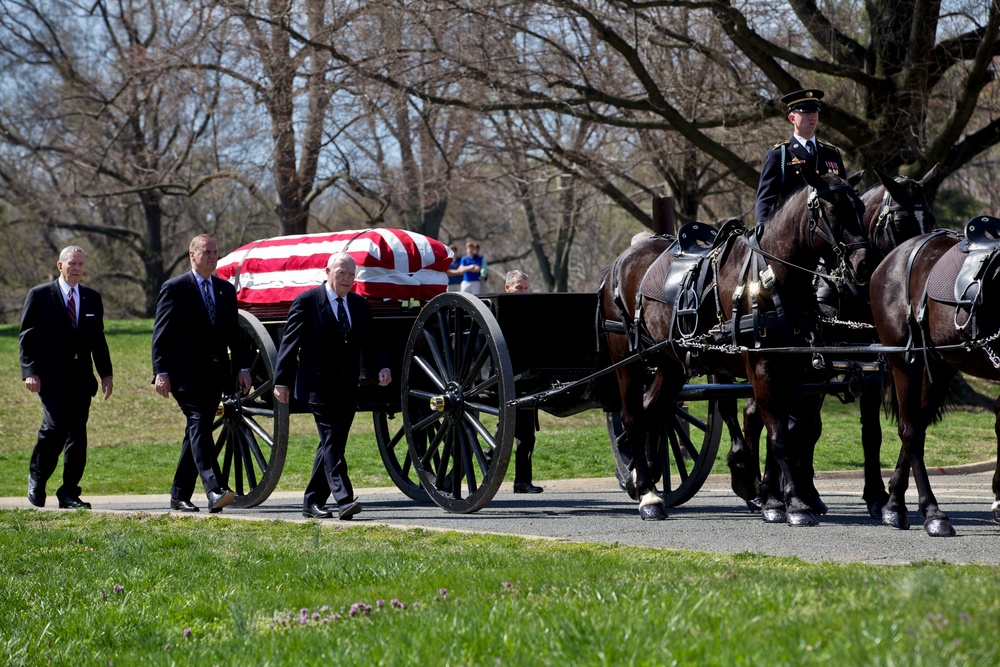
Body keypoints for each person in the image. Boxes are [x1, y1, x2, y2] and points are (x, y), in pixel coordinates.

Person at [273, 252, 392, 520]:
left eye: (351, 274)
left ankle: (312, 501)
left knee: (333, 443)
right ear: (327, 272)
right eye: (341, 273)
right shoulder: (307, 301)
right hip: (316, 384)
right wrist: (281, 381)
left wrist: (383, 366)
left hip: (347, 386)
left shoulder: (359, 305)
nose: (347, 279)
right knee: (331, 440)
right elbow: (289, 345)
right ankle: (344, 498)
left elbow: (372, 342)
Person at [152, 234, 251, 513]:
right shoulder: (174, 288)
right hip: (183, 375)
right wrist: (160, 372)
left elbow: (234, 332)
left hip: (215, 373)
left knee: (196, 430)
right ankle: (214, 488)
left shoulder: (224, 289)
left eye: (216, 252)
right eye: (207, 251)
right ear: (192, 255)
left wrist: (243, 367)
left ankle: (179, 495)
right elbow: (161, 335)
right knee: (198, 422)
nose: (212, 256)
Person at [20, 246, 113, 509]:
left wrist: (106, 373)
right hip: (50, 378)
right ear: (60, 266)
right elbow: (28, 337)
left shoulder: (92, 298)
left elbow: (98, 340)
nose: (77, 269)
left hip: (81, 380)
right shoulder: (40, 296)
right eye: (72, 264)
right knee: (54, 428)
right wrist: (30, 372)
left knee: (77, 435)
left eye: (81, 264)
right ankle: (37, 477)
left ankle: (69, 492)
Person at [754, 88, 847, 225]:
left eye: (815, 111)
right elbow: (766, 199)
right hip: (795, 229)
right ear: (792, 118)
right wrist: (762, 228)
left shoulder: (831, 153)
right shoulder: (780, 154)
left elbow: (845, 192)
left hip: (832, 229)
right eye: (806, 112)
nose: (812, 116)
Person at [504, 269, 543, 493]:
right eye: (519, 287)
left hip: (528, 378)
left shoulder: (531, 309)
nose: (524, 292)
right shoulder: (502, 310)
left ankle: (523, 481)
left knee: (527, 434)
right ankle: (488, 472)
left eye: (527, 288)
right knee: (505, 434)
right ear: (508, 288)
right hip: (507, 378)